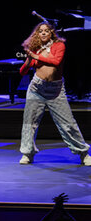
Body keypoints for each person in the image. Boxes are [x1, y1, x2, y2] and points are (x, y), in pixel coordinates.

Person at [19, 22, 90, 165]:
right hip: (36, 89)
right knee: (29, 123)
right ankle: (27, 154)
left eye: (46, 31)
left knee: (67, 124)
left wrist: (36, 57)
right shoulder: (36, 49)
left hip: (55, 90)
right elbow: (22, 71)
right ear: (37, 34)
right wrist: (28, 61)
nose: (43, 33)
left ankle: (83, 153)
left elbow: (56, 61)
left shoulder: (59, 46)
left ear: (51, 32)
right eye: (40, 31)